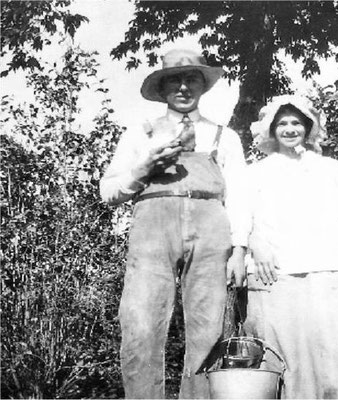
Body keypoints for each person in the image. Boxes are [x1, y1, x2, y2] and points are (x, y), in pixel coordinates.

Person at [100, 48, 247, 399]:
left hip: (211, 228)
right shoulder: (141, 133)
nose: (184, 87)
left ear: (203, 86)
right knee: (140, 324)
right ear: (162, 88)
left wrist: (240, 250)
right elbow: (109, 191)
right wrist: (145, 165)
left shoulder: (224, 136)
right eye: (174, 81)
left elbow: (241, 196)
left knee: (208, 328)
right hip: (153, 229)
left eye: (191, 79)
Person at [244, 95, 338, 399]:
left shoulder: (330, 169)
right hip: (278, 274)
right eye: (282, 123)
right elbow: (241, 218)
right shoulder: (256, 171)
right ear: (271, 130)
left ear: (309, 127)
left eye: (296, 122)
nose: (289, 129)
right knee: (290, 360)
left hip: (327, 269)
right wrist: (255, 242)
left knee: (336, 355)